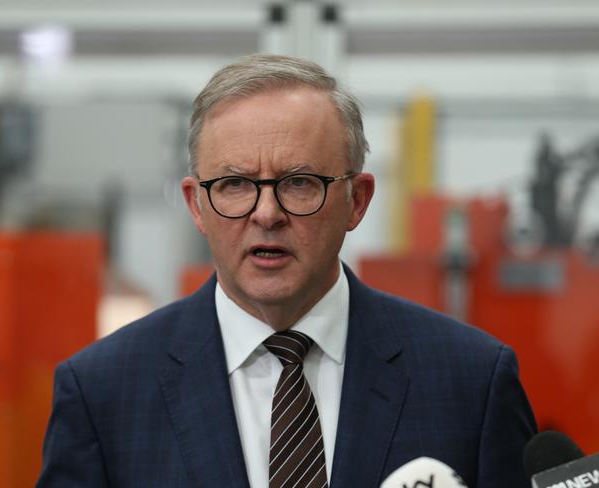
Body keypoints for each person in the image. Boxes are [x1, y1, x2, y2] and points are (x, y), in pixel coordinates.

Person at [37, 54, 536, 488]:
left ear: (356, 200)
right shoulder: (103, 393)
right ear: (196, 205)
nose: (266, 213)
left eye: (299, 182)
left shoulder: (470, 382)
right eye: (234, 184)